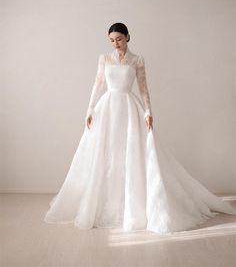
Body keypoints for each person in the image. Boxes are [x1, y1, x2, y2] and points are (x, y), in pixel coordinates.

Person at [44, 22, 236, 235]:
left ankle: (132, 207)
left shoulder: (137, 60)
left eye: (119, 38)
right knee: (105, 155)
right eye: (112, 40)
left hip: (128, 108)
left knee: (130, 154)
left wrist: (148, 112)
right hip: (107, 109)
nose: (115, 43)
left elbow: (144, 88)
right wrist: (89, 109)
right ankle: (100, 206)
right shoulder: (104, 59)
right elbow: (97, 84)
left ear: (127, 37)